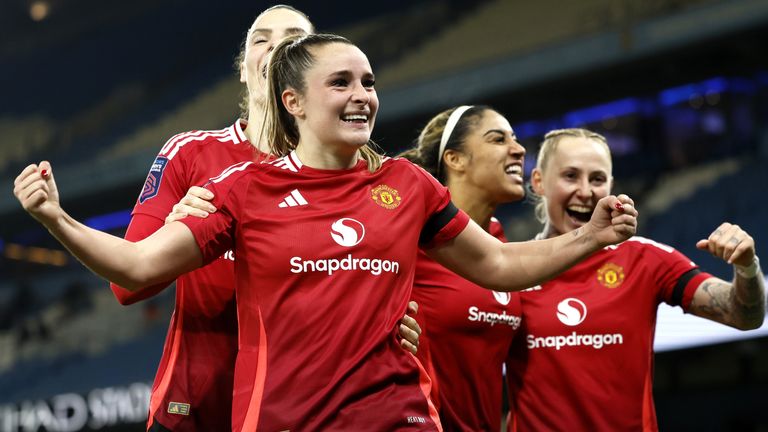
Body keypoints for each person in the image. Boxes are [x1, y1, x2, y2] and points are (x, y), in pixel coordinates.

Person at [14, 34, 638, 430]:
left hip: (398, 417)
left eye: (368, 82)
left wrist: (590, 237)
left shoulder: (407, 185)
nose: (362, 95)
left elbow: (498, 266)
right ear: (294, 102)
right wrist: (56, 219)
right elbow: (138, 268)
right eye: (340, 83)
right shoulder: (243, 188)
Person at [107, 6, 420, 431]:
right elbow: (128, 284)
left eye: (293, 38)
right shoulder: (190, 154)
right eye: (261, 39)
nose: (276, 47)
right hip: (196, 403)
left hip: (301, 410)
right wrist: (175, 232)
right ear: (242, 70)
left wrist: (403, 318)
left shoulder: (359, 175)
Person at [505, 128, 765, 431]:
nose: (585, 191)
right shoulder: (509, 269)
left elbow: (744, 316)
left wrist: (747, 267)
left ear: (611, 186)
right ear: (538, 181)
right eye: (570, 176)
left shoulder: (647, 260)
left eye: (597, 179)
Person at [399, 105, 525, 431]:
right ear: (455, 159)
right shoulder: (412, 237)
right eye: (498, 139)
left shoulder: (500, 242)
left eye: (514, 138)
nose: (519, 149)